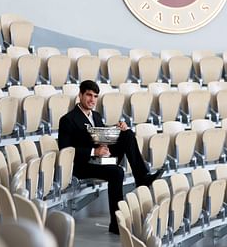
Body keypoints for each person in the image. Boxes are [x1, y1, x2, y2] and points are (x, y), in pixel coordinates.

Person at [58, 80, 163, 235]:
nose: (92, 99)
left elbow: (102, 137)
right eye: (88, 95)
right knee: (117, 172)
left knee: (127, 134)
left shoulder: (97, 116)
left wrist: (117, 129)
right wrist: (94, 152)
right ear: (80, 95)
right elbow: (65, 150)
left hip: (102, 158)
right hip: (83, 165)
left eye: (95, 96)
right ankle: (116, 223)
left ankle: (142, 177)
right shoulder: (68, 119)